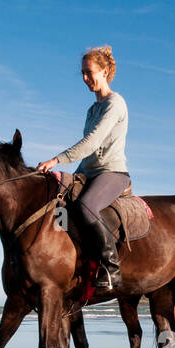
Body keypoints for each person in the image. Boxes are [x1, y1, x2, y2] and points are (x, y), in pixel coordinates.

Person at [37, 45, 130, 291]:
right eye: (82, 74)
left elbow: (93, 142)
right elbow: (89, 154)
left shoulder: (115, 103)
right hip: (88, 171)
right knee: (58, 203)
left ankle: (112, 268)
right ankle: (66, 262)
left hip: (112, 172)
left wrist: (57, 160)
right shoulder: (92, 109)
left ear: (105, 71)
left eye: (89, 72)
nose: (85, 79)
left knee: (87, 207)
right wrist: (69, 175)